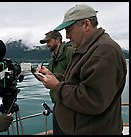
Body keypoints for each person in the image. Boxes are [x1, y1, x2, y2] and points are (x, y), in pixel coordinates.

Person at [35, 4, 127, 135]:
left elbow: (93, 100)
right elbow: (77, 81)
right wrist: (55, 77)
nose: (67, 36)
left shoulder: (104, 52)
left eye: (69, 30)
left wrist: (57, 86)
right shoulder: (88, 48)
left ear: (86, 24)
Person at [39, 30, 75, 103]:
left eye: (49, 41)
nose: (47, 44)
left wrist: (53, 76)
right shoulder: (53, 58)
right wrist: (35, 71)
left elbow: (75, 77)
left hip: (69, 99)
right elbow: (48, 74)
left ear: (58, 39)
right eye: (46, 42)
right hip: (58, 100)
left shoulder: (70, 51)